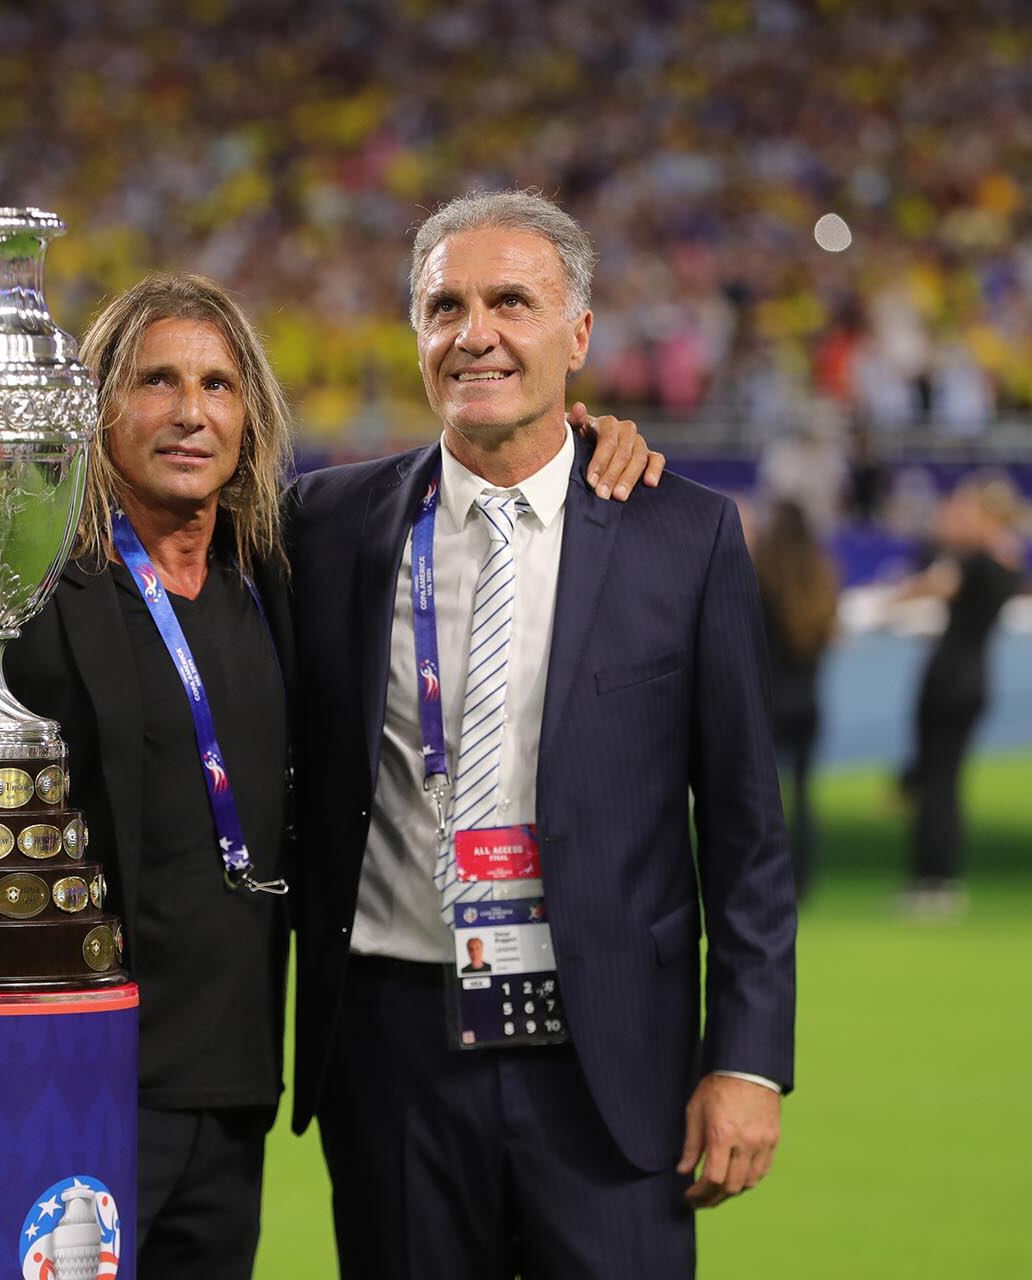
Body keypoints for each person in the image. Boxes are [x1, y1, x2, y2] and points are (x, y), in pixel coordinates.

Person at [0, 272, 659, 1278]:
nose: (191, 411)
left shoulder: (278, 566)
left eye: (218, 383)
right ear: (95, 405)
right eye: (156, 380)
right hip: (67, 1079)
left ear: (251, 412)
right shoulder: (22, 590)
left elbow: (493, 463)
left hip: (233, 1085)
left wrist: (580, 432)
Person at [287, 190, 797, 1278]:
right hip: (392, 1049)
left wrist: (749, 1058)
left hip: (609, 1050)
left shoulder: (684, 534)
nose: (475, 333)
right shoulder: (325, 525)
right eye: (445, 306)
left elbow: (749, 829)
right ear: (416, 335)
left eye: (511, 301)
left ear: (578, 334)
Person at [896, 474, 1025, 917]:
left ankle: (931, 880)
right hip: (976, 679)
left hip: (949, 678)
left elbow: (934, 586)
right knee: (947, 782)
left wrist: (895, 596)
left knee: (936, 783)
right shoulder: (1007, 564)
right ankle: (942, 877)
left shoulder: (973, 561)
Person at [750, 499, 839, 899]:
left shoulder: (762, 571)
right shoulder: (821, 577)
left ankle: (765, 874)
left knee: (760, 796)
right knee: (803, 796)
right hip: (808, 701)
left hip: (767, 701)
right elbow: (830, 635)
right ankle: (802, 879)